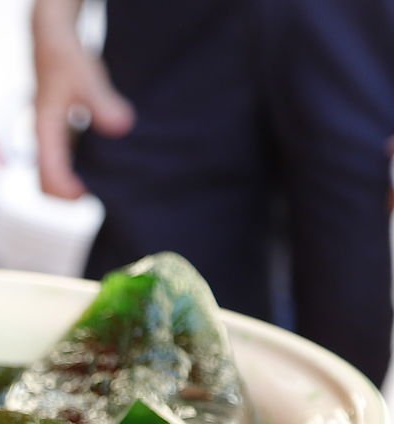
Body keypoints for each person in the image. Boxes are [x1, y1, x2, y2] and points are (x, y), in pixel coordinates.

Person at [32, 0, 394, 385]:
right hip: (171, 34)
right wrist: (53, 22)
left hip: (359, 30)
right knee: (141, 341)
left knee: (347, 337)